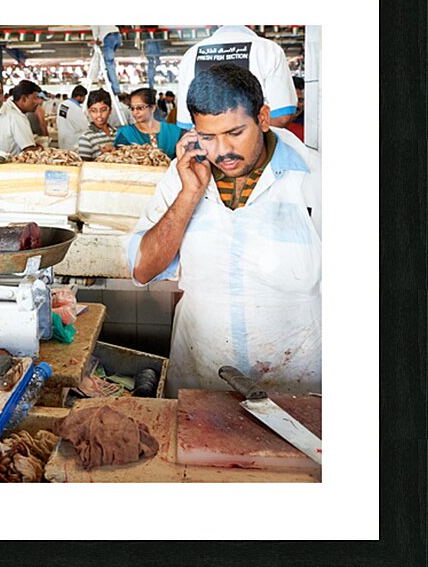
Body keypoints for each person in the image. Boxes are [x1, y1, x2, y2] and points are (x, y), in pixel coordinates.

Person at [129, 63, 321, 397]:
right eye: (208, 137)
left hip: (298, 385)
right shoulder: (182, 175)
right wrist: (188, 193)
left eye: (235, 133)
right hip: (200, 382)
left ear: (262, 118)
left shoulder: (314, 178)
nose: (223, 151)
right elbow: (143, 270)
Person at [175, 25, 297, 130]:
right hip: (260, 152)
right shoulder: (269, 50)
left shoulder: (191, 55)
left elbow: (186, 124)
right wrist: (247, 139)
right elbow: (282, 117)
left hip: (207, 151)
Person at [114, 88, 185, 159]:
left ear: (153, 108)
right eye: (132, 108)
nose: (135, 112)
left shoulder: (174, 132)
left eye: (140, 108)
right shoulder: (125, 133)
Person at [77, 89, 118, 160]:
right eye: (93, 111)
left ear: (110, 110)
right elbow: (85, 167)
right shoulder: (86, 137)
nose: (99, 115)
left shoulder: (117, 133)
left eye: (103, 110)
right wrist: (103, 156)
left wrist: (115, 152)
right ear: (89, 111)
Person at [90, 25, 123, 94]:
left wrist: (96, 40)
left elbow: (95, 30)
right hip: (118, 36)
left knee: (109, 64)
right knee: (109, 63)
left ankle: (115, 89)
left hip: (108, 37)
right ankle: (111, 81)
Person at [56, 85, 89, 152]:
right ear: (80, 96)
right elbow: (85, 128)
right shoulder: (76, 109)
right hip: (73, 144)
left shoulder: (62, 104)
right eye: (84, 97)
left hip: (62, 140)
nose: (84, 99)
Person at [286, 76, 305, 142]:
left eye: (300, 100)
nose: (296, 105)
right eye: (293, 99)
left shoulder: (309, 125)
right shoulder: (272, 123)